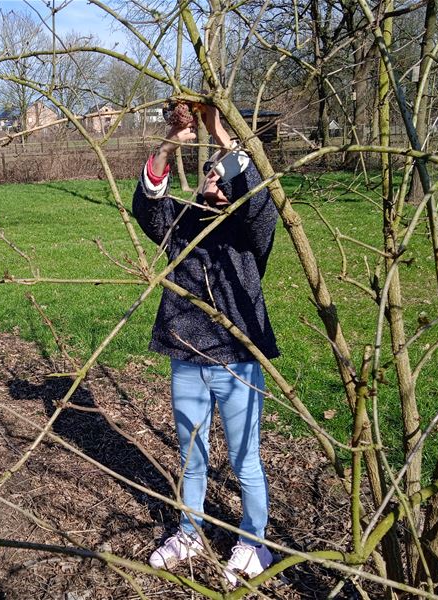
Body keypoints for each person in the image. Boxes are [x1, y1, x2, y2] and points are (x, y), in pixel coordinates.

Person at [133, 105, 279, 585]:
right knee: (191, 455)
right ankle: (190, 530)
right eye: (209, 172)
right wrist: (174, 138)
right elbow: (147, 200)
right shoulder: (183, 222)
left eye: (221, 172)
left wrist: (219, 132)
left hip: (236, 359)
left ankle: (254, 541)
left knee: (245, 459)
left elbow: (259, 196)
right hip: (186, 355)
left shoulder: (248, 227)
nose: (213, 177)